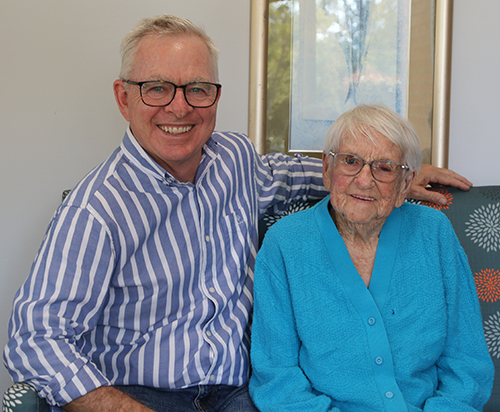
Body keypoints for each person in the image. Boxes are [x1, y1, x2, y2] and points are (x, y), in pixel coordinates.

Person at [3, 14, 473, 412]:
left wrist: (390, 175)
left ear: (216, 97)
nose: (180, 107)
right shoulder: (97, 210)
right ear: (124, 97)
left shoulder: (233, 160)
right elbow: (32, 340)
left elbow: (298, 172)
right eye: (157, 88)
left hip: (237, 396)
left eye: (197, 89)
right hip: (144, 396)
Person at [249, 104, 494, 411]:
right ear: (326, 169)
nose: (365, 180)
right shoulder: (285, 244)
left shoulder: (434, 234)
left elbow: (467, 364)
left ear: (405, 184)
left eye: (385, 167)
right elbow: (276, 379)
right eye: (350, 161)